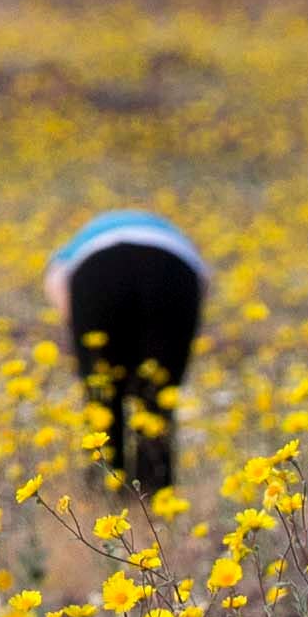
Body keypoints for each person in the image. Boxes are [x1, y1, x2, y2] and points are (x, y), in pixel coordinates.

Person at [46, 209, 210, 496]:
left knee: (101, 396)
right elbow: (202, 285)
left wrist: (79, 327)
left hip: (97, 272)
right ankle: (157, 500)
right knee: (158, 397)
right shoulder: (173, 234)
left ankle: (105, 495)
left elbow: (58, 283)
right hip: (173, 270)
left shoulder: (71, 248)